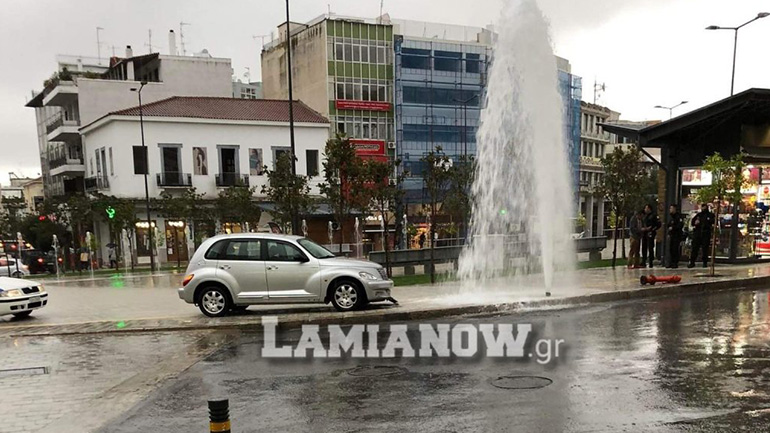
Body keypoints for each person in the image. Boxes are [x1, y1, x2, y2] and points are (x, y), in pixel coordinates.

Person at [689, 203, 715, 268]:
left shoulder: (710, 215)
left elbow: (713, 222)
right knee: (695, 248)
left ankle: (705, 262)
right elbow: (693, 222)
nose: (703, 208)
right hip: (698, 233)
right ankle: (692, 262)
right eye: (702, 207)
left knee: (705, 249)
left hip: (706, 233)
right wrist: (695, 223)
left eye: (704, 207)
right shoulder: (698, 215)